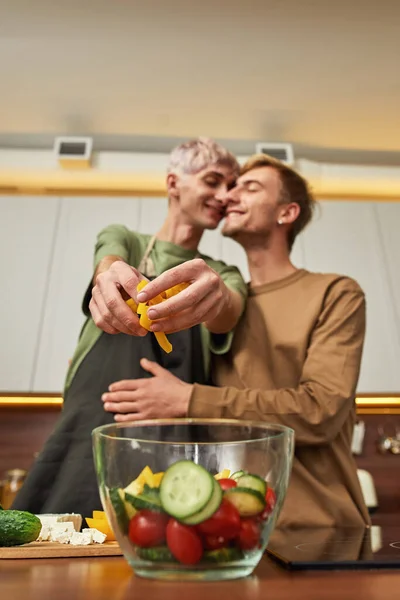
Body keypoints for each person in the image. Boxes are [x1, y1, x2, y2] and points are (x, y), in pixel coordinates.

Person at [102, 154, 370, 529]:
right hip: (228, 527)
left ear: (287, 213)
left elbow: (320, 411)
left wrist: (188, 399)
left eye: (250, 187)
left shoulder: (335, 292)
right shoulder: (210, 303)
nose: (229, 196)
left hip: (318, 525)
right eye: (231, 187)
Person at [13, 138, 247, 517]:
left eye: (231, 186)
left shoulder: (222, 273)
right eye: (213, 180)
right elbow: (108, 257)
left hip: (177, 434)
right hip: (93, 418)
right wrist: (107, 276)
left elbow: (229, 310)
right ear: (174, 184)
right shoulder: (126, 241)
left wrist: (216, 296)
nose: (224, 195)